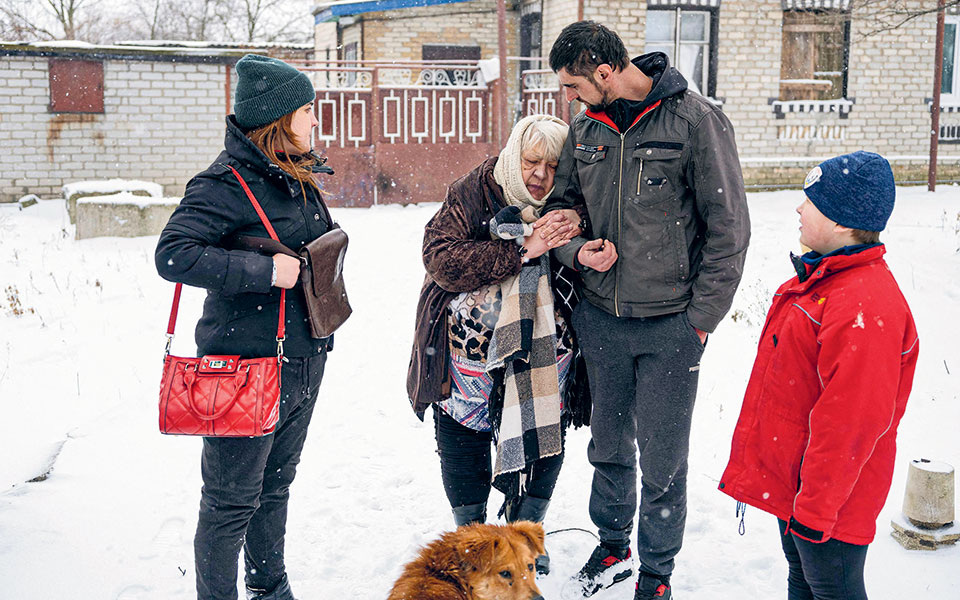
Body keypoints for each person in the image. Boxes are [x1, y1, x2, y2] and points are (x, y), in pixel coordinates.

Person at [543, 21, 751, 600]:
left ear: (605, 73)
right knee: (608, 445)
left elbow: (729, 231)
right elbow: (562, 210)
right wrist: (575, 250)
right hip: (601, 320)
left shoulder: (695, 121)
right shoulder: (585, 129)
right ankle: (614, 543)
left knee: (663, 460)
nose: (570, 98)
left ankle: (657, 574)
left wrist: (700, 322)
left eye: (574, 85)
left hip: (671, 328)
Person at [156, 54, 336, 600]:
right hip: (242, 369)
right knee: (231, 502)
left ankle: (269, 587)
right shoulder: (222, 185)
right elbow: (172, 255)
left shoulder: (295, 174)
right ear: (278, 119)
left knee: (275, 487)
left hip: (302, 359)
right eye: (308, 111)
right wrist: (263, 271)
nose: (315, 122)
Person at [719, 151, 919, 600]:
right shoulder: (827, 282)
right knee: (803, 581)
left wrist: (814, 509)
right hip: (803, 491)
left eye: (810, 200)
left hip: (831, 504)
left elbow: (852, 425)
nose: (798, 208)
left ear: (840, 219)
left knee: (832, 590)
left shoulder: (863, 305)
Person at [406, 114, 591, 575]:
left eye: (552, 165)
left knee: (543, 430)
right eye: (532, 162)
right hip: (467, 354)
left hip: (546, 354)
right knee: (463, 430)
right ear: (514, 155)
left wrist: (581, 241)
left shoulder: (572, 193)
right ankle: (472, 535)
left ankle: (526, 532)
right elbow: (439, 258)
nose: (541, 176)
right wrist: (520, 250)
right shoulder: (476, 189)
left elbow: (590, 240)